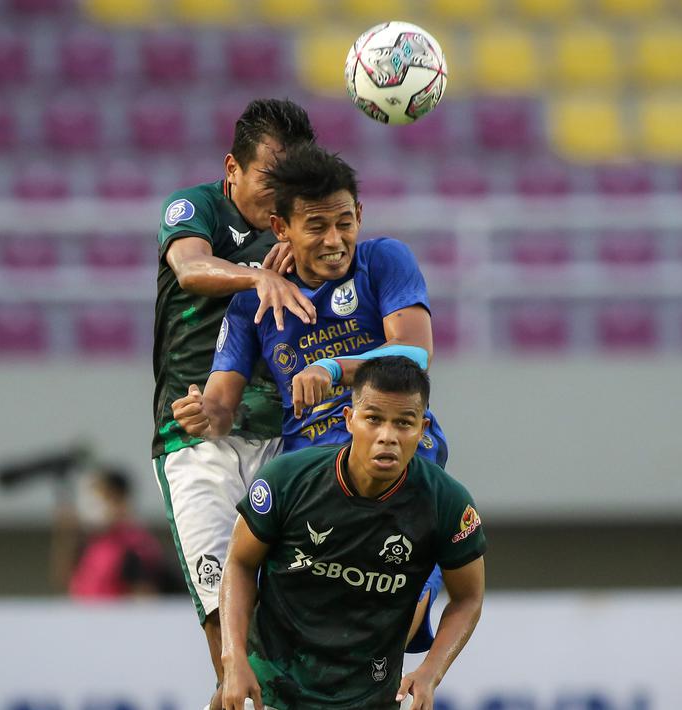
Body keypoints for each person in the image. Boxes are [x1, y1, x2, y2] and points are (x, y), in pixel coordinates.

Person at [171, 143, 448, 652]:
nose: (335, 240)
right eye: (317, 226)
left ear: (360, 214)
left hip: (395, 453)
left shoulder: (383, 261)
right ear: (282, 229)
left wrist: (332, 368)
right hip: (309, 474)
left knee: (396, 605)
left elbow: (415, 356)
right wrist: (200, 413)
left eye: (345, 222)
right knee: (284, 629)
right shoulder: (251, 302)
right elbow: (220, 407)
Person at [150, 98, 317, 696]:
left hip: (284, 440)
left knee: (288, 632)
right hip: (198, 440)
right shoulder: (195, 207)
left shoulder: (301, 227)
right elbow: (191, 269)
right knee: (230, 639)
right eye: (270, 178)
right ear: (233, 169)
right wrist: (259, 274)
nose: (281, 195)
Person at [221, 357, 486, 710]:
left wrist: (430, 671)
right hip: (268, 694)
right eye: (373, 419)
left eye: (403, 423)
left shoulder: (446, 503)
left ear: (422, 430)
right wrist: (233, 658)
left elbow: (468, 597)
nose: (387, 436)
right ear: (349, 420)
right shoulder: (288, 479)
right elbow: (239, 563)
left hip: (368, 701)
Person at [50, 467, 168, 599]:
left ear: (120, 500)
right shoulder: (93, 542)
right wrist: (66, 532)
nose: (93, 505)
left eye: (100, 497)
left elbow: (145, 597)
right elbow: (67, 580)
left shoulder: (135, 545)